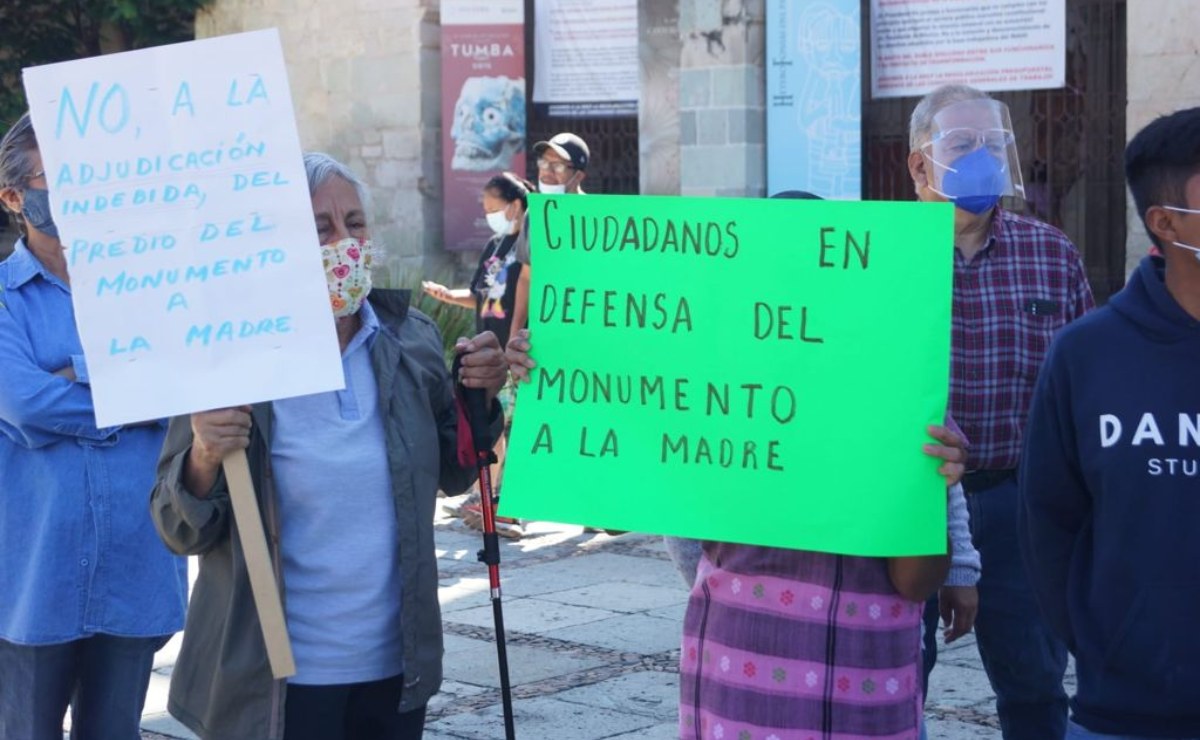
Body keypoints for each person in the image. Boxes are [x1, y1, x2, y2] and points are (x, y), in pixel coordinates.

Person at [149, 152, 507, 740]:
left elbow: (453, 471)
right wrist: (204, 456)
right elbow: (177, 529)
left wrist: (481, 398)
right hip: (275, 681)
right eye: (320, 229)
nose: (345, 241)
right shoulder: (230, 358)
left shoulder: (408, 339)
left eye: (355, 223)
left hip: (396, 672)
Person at [506, 326, 967, 738]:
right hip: (738, 683)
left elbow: (916, 582)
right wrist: (557, 370)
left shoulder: (901, 401)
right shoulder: (715, 376)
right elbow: (614, 508)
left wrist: (928, 494)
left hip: (861, 688)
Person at [906, 84, 1094, 739]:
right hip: (911, 508)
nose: (982, 158)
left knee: (1037, 687)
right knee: (897, 682)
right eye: (962, 144)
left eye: (994, 144)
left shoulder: (1052, 256)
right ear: (920, 164)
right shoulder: (881, 261)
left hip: (1021, 507)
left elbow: (1084, 392)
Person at [0, 113, 187, 739]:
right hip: (32, 574)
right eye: (58, 178)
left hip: (134, 562)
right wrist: (129, 392)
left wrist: (73, 376)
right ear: (14, 196)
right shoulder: (4, 298)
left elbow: (178, 384)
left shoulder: (145, 292)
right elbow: (25, 404)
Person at [1020, 106, 1200, 740]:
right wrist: (1109, 643)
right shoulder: (1086, 355)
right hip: (1124, 714)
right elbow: (1049, 522)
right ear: (1167, 222)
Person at [423, 172, 533, 537]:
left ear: (515, 205)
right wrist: (447, 295)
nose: (489, 214)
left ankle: (504, 501)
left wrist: (513, 339)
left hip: (510, 350)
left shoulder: (529, 245)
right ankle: (482, 494)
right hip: (489, 346)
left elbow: (525, 294)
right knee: (493, 422)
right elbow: (480, 295)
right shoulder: (495, 246)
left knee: (508, 423)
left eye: (493, 208)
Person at [507, 132, 590, 349]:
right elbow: (526, 278)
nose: (547, 173)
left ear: (579, 176)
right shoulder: (534, 216)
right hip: (548, 333)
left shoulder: (595, 217)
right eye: (544, 163)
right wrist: (513, 336)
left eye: (559, 167)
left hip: (589, 332)